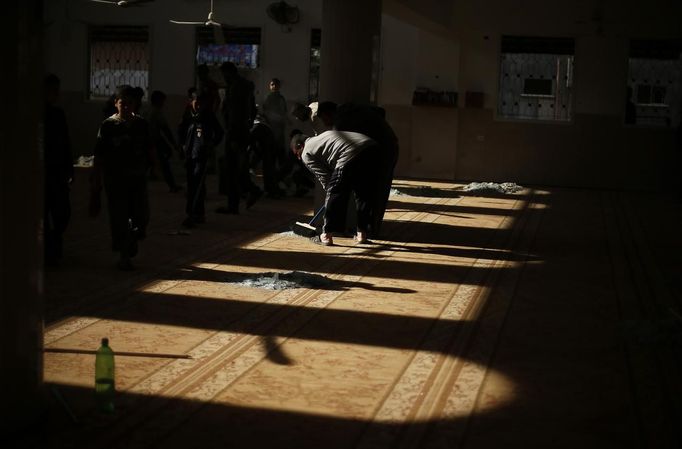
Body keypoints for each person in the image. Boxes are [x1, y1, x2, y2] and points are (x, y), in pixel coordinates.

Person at [90, 85, 153, 270]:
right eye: (122, 103)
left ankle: (133, 238)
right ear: (115, 104)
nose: (125, 107)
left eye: (129, 103)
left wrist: (152, 167)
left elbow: (149, 148)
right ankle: (124, 255)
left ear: (135, 105)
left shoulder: (141, 124)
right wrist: (96, 179)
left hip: (137, 178)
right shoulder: (108, 125)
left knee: (141, 216)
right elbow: (99, 154)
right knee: (119, 217)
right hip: (115, 180)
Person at [290, 130, 380, 246]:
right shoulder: (321, 138)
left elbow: (325, 178)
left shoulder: (306, 151)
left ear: (300, 146)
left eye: (297, 154)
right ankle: (361, 234)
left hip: (351, 153)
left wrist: (331, 193)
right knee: (363, 194)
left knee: (334, 191)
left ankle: (326, 235)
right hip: (373, 150)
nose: (299, 158)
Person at [334, 103, 399, 239]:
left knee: (367, 193)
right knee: (378, 193)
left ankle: (366, 230)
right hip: (387, 152)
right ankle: (370, 229)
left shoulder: (345, 121)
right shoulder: (370, 118)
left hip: (376, 155)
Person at [216, 61, 261, 214]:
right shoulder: (246, 87)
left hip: (235, 132)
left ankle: (236, 202)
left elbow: (234, 113)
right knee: (239, 167)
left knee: (232, 168)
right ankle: (248, 193)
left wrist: (233, 135)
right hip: (242, 130)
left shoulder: (236, 88)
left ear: (228, 73)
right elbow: (252, 110)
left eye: (224, 74)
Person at [178, 92, 224, 228]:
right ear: (190, 102)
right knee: (191, 183)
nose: (198, 105)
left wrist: (211, 145)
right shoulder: (187, 115)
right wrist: (181, 146)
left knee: (198, 183)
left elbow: (220, 133)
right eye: (196, 102)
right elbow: (180, 131)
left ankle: (195, 213)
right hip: (189, 154)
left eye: (201, 102)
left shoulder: (208, 116)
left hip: (201, 154)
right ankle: (193, 212)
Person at [44, 74, 74, 266]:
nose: (56, 95)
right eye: (53, 91)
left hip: (57, 173)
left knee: (62, 213)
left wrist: (69, 169)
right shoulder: (31, 114)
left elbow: (65, 143)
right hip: (41, 173)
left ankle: (53, 243)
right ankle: (50, 251)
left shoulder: (57, 114)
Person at [145, 90, 182, 193]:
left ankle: (155, 173)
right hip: (153, 141)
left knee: (151, 162)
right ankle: (172, 185)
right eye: (162, 101)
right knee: (163, 163)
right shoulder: (156, 112)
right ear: (158, 101)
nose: (163, 104)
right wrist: (174, 144)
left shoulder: (148, 110)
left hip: (149, 141)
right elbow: (165, 129)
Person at [249, 114, 285, 198]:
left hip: (269, 150)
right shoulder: (263, 126)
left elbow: (251, 143)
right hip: (271, 149)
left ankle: (272, 191)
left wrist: (255, 155)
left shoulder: (255, 128)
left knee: (268, 171)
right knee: (269, 171)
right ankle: (272, 190)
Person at [262, 78, 288, 173]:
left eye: (276, 85)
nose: (274, 87)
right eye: (272, 84)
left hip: (279, 128)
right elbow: (265, 112)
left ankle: (281, 172)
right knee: (271, 151)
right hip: (270, 128)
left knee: (280, 150)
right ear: (270, 86)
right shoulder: (268, 98)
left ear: (279, 86)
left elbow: (284, 112)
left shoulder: (281, 98)